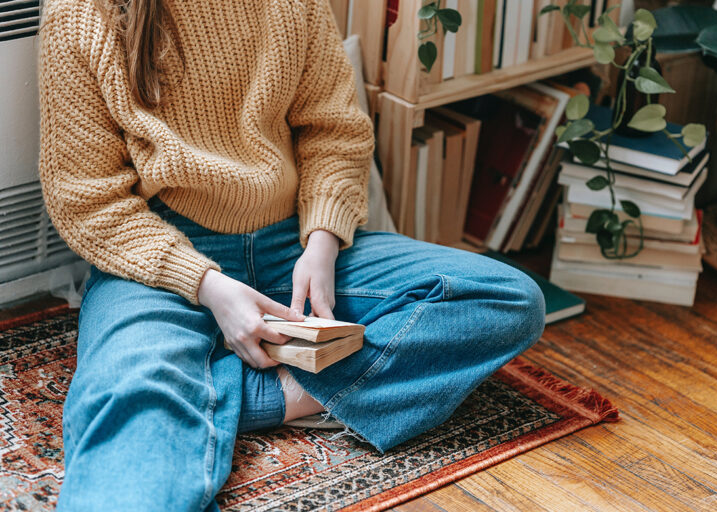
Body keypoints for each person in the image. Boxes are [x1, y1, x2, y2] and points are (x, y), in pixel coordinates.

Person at [36, 0, 546, 509]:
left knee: (506, 299)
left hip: (295, 241)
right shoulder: (79, 14)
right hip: (161, 263)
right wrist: (207, 285)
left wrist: (323, 241)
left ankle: (241, 397)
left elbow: (335, 130)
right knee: (131, 410)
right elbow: (86, 199)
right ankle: (211, 392)